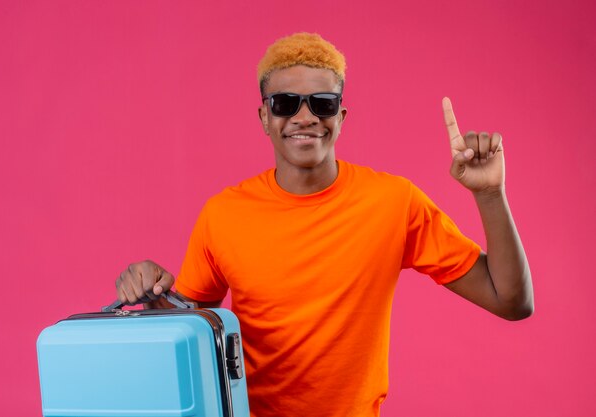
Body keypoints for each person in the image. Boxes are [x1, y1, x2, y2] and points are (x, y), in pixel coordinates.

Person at [115, 33, 533, 417]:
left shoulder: (393, 201)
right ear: (264, 117)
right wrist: (152, 293)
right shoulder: (223, 213)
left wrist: (490, 194)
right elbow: (186, 339)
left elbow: (511, 301)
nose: (305, 116)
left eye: (322, 103)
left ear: (341, 116)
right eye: (285, 103)